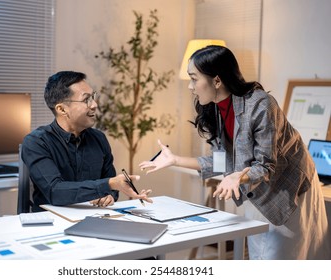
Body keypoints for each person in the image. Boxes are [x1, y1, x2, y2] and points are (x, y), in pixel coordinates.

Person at [139, 45, 330, 259]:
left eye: (194, 79)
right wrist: (175, 160)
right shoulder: (216, 108)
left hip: (288, 188)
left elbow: (265, 166)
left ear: (217, 81)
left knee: (282, 258)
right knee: (259, 255)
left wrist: (236, 176)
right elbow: (221, 163)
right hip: (256, 189)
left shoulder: (260, 105)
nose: (191, 87)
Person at [22, 70, 152, 212]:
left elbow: (111, 186)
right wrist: (108, 185)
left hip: (94, 218)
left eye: (93, 97)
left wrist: (109, 195)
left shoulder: (99, 139)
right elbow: (55, 191)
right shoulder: (37, 142)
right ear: (62, 109)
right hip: (52, 222)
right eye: (86, 100)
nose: (95, 105)